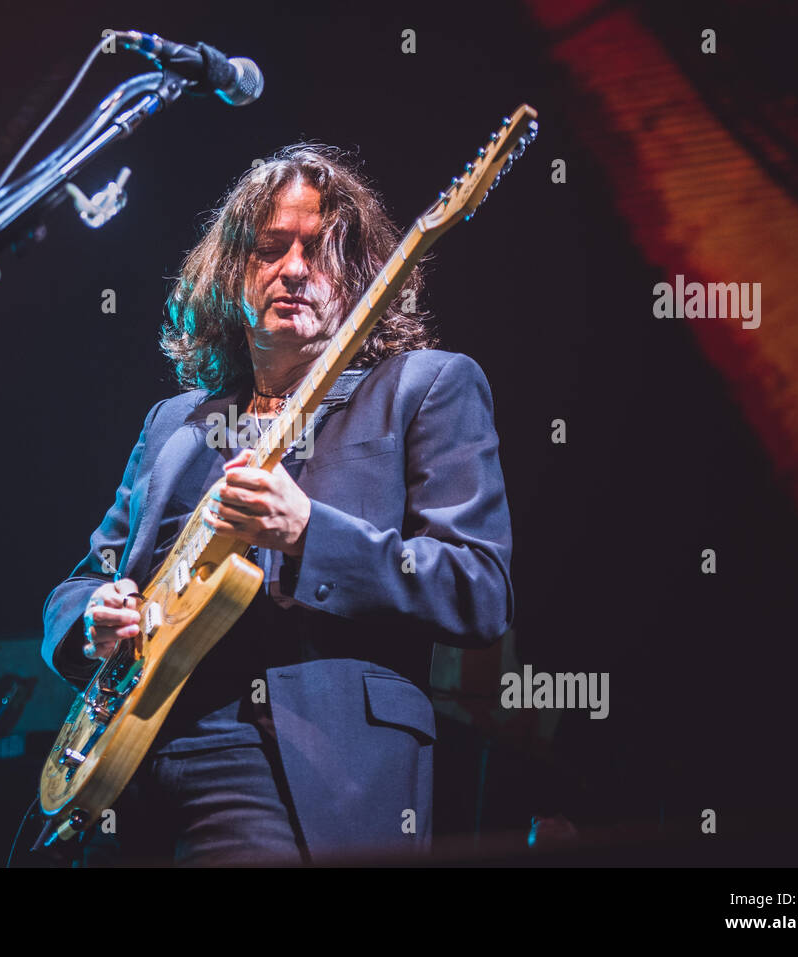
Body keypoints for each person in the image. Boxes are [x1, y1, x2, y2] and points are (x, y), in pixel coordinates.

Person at [34, 143, 514, 865]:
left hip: (291, 766)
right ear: (232, 274)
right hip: (125, 767)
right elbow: (78, 583)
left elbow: (478, 588)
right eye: (269, 249)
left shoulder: (427, 388)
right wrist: (95, 616)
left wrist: (309, 532)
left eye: (320, 250)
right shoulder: (175, 423)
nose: (294, 269)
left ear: (359, 276)